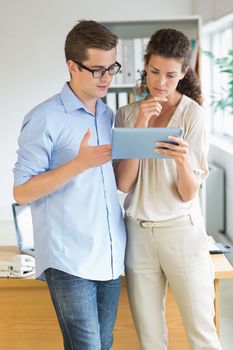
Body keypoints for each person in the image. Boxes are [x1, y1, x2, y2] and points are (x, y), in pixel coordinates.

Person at [13, 20, 126, 350]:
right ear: (72, 67)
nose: (107, 78)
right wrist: (78, 164)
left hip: (109, 253)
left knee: (103, 343)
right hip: (68, 258)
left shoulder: (108, 116)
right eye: (97, 70)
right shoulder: (45, 118)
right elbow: (21, 192)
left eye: (112, 68)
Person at [114, 28, 222, 350]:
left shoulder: (194, 116)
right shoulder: (126, 113)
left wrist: (181, 161)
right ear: (145, 65)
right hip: (138, 236)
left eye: (171, 75)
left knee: (201, 333)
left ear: (184, 72)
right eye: (155, 72)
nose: (161, 83)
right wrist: (139, 128)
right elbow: (123, 183)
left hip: (181, 234)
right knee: (150, 339)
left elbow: (188, 193)